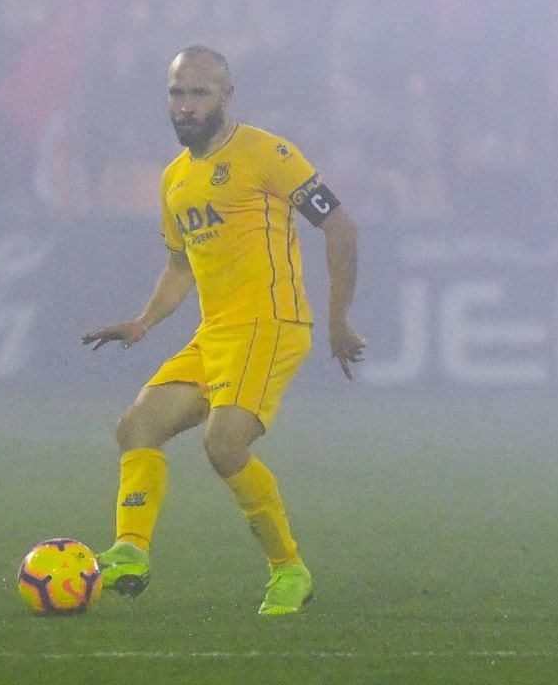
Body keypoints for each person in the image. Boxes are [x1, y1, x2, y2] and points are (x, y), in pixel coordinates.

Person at [82, 45, 365, 615]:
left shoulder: (267, 153)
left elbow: (339, 225)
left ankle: (289, 569)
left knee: (223, 443)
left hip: (271, 323)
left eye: (199, 93)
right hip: (217, 333)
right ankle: (130, 552)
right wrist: (144, 321)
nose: (185, 106)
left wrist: (337, 319)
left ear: (227, 95)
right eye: (177, 93)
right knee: (137, 427)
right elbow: (181, 266)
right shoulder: (175, 180)